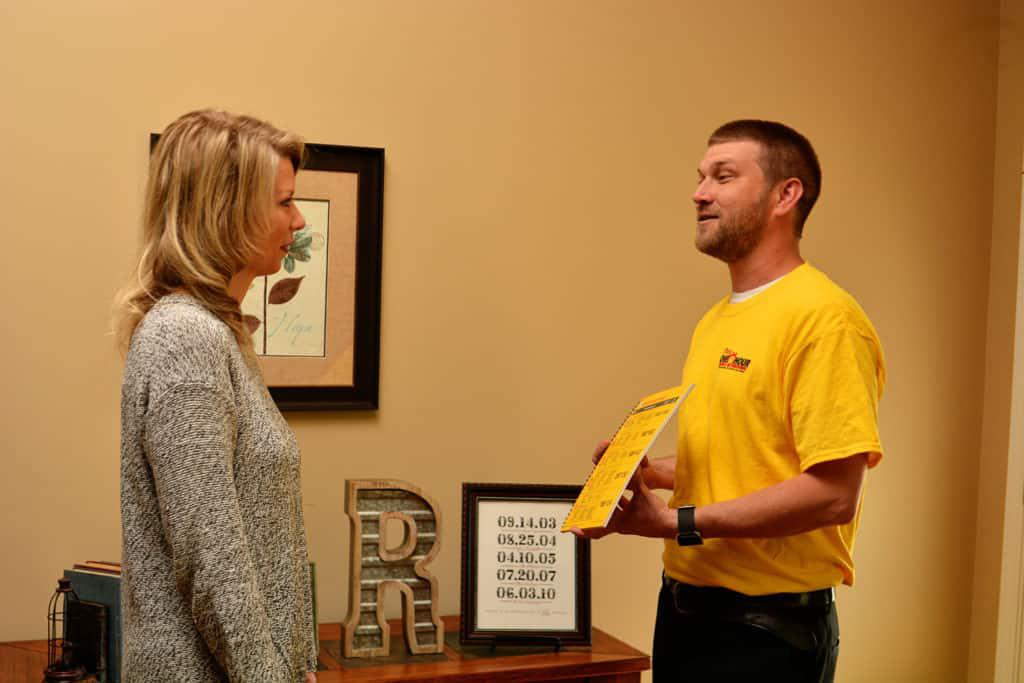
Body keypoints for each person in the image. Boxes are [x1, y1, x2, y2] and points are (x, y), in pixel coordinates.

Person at [574, 120, 885, 682]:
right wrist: (649, 473)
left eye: (723, 176)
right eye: (700, 178)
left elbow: (834, 494)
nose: (699, 193)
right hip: (684, 612)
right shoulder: (716, 321)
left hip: (767, 634)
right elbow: (749, 455)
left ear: (785, 195)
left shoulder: (827, 321)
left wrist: (676, 522)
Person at [114, 109, 319, 682]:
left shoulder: (216, 333)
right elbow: (212, 558)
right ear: (226, 210)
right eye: (284, 202)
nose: (298, 220)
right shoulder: (185, 337)